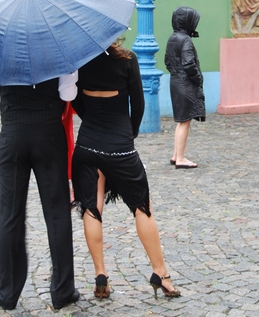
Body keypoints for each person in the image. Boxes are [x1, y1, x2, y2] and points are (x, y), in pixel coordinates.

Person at [71, 42, 181, 300]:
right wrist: (129, 133)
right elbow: (138, 104)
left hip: (87, 144)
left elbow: (76, 102)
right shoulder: (127, 59)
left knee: (92, 208)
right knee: (142, 207)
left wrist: (92, 121)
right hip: (119, 146)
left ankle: (100, 274)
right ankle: (161, 273)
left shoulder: (79, 61)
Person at [0, 73, 80, 310]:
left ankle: (7, 291)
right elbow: (68, 94)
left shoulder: (1, 49)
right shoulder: (57, 50)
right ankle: (62, 290)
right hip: (48, 132)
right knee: (57, 210)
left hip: (13, 133)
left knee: (9, 212)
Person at [165, 7, 205, 169]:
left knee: (182, 120)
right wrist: (198, 78)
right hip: (185, 84)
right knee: (185, 121)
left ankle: (176, 155)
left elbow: (167, 61)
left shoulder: (172, 37)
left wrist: (177, 73)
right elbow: (189, 64)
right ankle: (180, 158)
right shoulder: (185, 39)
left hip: (175, 81)